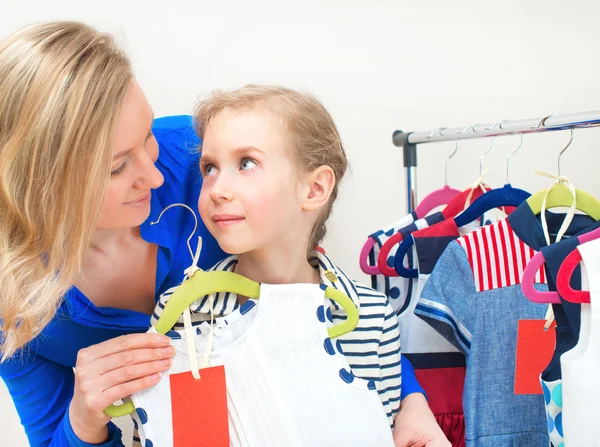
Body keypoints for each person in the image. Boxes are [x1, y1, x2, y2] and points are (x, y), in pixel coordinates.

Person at [0, 21, 448, 447]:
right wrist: (85, 416)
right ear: (43, 185)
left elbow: (312, 299)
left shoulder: (200, 156)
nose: (155, 177)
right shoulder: (12, 305)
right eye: (118, 167)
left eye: (146, 138)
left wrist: (410, 401)